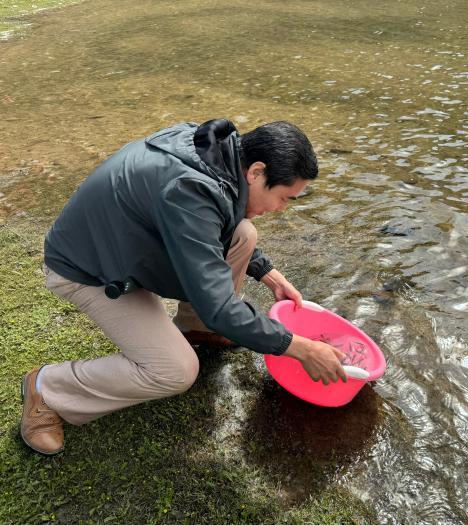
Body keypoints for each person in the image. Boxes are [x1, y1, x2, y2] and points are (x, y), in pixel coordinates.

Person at [20, 118, 348, 456]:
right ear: (256, 172)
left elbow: (209, 225)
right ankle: (47, 389)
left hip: (128, 245)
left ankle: (197, 328)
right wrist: (302, 349)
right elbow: (219, 302)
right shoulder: (190, 189)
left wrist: (268, 273)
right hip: (89, 269)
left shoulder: (213, 149)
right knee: (177, 370)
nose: (280, 209)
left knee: (244, 234)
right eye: (283, 198)